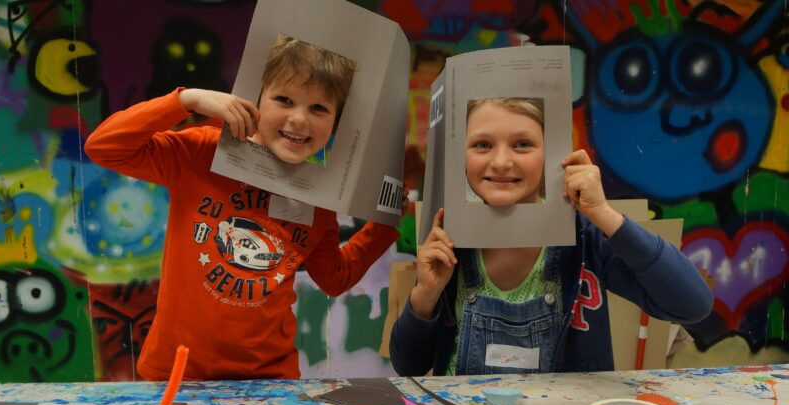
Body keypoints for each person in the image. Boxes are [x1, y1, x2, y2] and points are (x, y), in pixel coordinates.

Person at [85, 35, 404, 380]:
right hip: (174, 375)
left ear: (336, 122)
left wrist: (384, 222)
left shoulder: (318, 196)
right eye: (284, 99)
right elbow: (104, 147)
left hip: (270, 379)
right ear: (256, 99)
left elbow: (335, 277)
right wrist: (186, 100)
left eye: (318, 108)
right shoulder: (202, 152)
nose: (299, 119)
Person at [390, 97, 713, 376]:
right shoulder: (449, 240)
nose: (502, 162)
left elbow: (693, 305)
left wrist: (604, 214)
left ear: (552, 154)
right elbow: (408, 366)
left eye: (523, 144)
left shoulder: (584, 238)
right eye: (482, 144)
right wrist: (426, 295)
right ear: (461, 158)